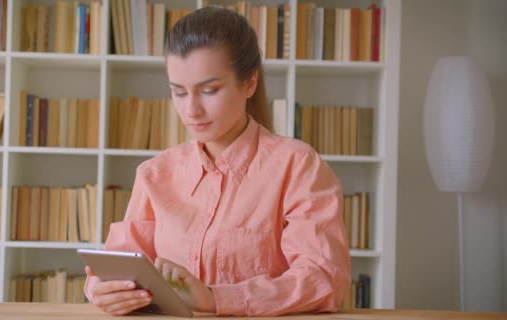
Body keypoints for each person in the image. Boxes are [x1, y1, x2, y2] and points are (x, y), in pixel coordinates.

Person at [84, 6, 350, 316]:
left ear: (249, 83)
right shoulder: (155, 174)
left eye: (209, 90)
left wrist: (215, 298)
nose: (191, 110)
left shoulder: (298, 166)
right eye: (178, 92)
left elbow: (324, 279)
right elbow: (114, 265)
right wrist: (102, 290)